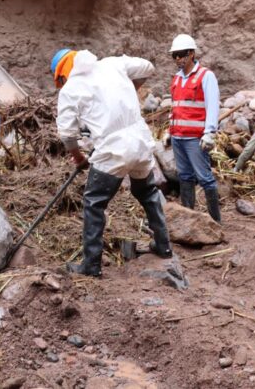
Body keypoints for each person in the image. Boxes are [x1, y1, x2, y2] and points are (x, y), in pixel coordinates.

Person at [52, 48, 173, 277]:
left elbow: (67, 135)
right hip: (139, 143)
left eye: (60, 80)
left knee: (94, 203)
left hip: (113, 150)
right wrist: (130, 90)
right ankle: (164, 246)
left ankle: (91, 265)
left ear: (62, 74)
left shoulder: (70, 89)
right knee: (147, 194)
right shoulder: (112, 64)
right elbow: (148, 66)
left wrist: (78, 158)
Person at [167, 34, 222, 222]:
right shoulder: (176, 79)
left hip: (194, 138)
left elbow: (213, 105)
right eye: (174, 55)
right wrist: (170, 130)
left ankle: (216, 221)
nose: (177, 59)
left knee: (205, 178)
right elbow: (176, 107)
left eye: (181, 54)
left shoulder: (206, 76)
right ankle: (188, 219)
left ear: (192, 53)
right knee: (185, 176)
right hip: (178, 137)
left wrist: (209, 132)